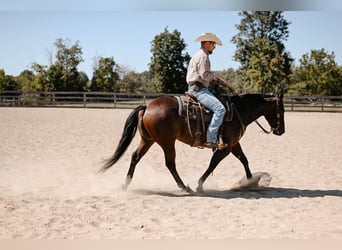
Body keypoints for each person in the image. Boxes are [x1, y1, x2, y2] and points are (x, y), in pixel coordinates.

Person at [186, 32, 228, 149]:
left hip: (195, 87)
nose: (214, 47)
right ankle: (211, 139)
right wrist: (218, 80)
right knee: (220, 109)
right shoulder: (203, 56)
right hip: (199, 90)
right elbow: (204, 75)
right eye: (213, 44)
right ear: (207, 43)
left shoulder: (197, 55)